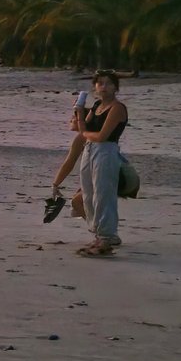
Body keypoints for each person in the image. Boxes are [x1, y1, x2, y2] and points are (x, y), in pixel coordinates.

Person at [72, 70, 128, 257]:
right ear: (95, 87)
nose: (104, 87)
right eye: (100, 83)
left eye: (108, 83)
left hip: (106, 151)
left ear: (115, 87)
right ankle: (100, 234)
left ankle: (106, 237)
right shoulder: (96, 106)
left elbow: (101, 135)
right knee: (88, 193)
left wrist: (85, 132)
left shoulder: (117, 108)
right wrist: (80, 113)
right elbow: (79, 128)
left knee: (104, 194)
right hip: (90, 150)